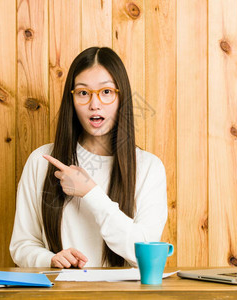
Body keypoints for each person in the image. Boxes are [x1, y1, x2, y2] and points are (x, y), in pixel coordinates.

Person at [9, 47, 167, 268]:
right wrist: (50, 259)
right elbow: (22, 244)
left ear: (121, 98)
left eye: (106, 92)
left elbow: (143, 254)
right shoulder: (41, 161)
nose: (95, 104)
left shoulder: (149, 167)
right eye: (83, 93)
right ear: (71, 100)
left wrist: (91, 193)